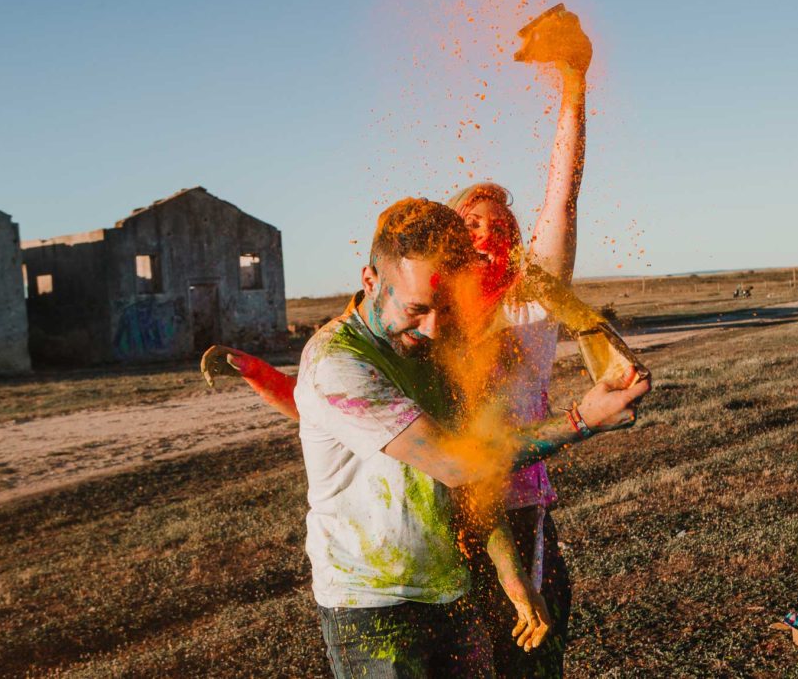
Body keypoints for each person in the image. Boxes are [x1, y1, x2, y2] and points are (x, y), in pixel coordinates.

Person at [210, 197, 648, 677]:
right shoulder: (339, 363)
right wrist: (580, 420)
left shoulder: (434, 348)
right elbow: (458, 463)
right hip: (375, 606)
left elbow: (468, 486)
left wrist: (510, 572)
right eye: (418, 308)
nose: (434, 326)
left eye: (446, 307)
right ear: (370, 281)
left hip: (450, 590)